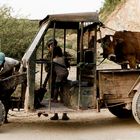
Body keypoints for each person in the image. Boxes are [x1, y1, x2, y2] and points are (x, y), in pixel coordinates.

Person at [43, 39, 70, 120]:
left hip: (59, 76)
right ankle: (55, 114)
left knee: (63, 94)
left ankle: (65, 114)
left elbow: (67, 64)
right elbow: (47, 69)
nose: (52, 46)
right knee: (53, 95)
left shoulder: (60, 53)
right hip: (52, 78)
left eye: (54, 45)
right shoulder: (47, 56)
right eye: (51, 45)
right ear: (48, 47)